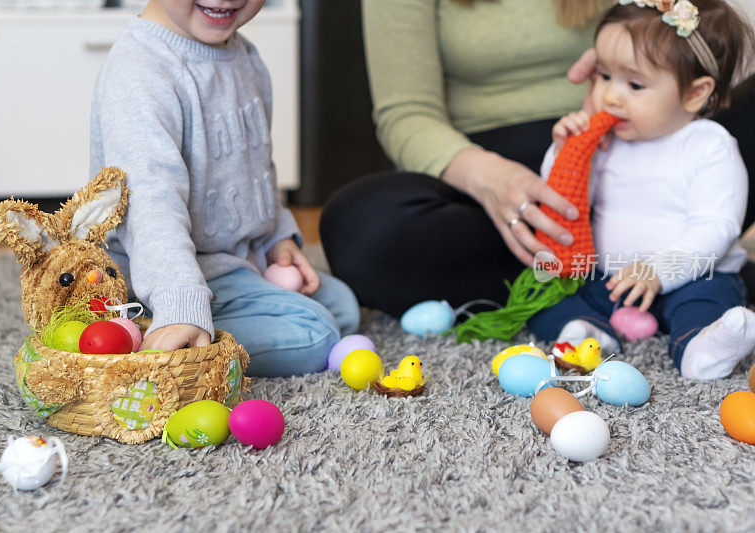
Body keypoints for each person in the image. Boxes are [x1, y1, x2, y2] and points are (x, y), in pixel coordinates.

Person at [320, 0, 755, 320]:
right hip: (484, 166)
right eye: (603, 78)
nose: (611, 89)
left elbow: (696, 32)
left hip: (652, 140)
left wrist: (636, 59)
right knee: (360, 225)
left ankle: (681, 264)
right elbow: (405, 113)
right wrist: (491, 177)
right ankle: (588, 281)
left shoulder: (700, 142)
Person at [90, 0, 360, 377]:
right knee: (316, 333)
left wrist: (275, 237)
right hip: (163, 275)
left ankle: (180, 330)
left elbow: (256, 165)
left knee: (344, 306)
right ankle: (156, 334)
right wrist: (180, 304)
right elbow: (150, 205)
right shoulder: (141, 71)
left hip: (234, 263)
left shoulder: (244, 55)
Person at [524, 0, 755, 380]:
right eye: (603, 76)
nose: (611, 97)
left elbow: (716, 226)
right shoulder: (606, 139)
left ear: (695, 94)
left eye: (634, 84)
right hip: (608, 275)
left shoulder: (709, 146)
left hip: (691, 273)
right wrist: (565, 153)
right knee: (546, 286)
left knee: (708, 297)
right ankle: (587, 331)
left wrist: (659, 271)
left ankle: (700, 344)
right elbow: (568, 200)